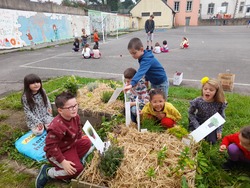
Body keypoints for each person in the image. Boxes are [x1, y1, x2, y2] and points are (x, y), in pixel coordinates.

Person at [35, 91, 92, 188]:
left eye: (75, 105)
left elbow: (78, 130)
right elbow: (51, 146)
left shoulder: (75, 117)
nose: (74, 109)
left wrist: (80, 137)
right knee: (77, 169)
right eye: (70, 107)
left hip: (70, 146)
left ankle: (72, 162)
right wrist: (62, 161)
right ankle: (48, 172)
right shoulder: (57, 126)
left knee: (87, 142)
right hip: (58, 152)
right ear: (60, 110)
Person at [188, 77, 227, 144]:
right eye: (205, 89)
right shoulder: (197, 101)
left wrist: (219, 130)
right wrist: (197, 126)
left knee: (211, 142)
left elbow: (221, 117)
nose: (207, 91)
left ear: (216, 92)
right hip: (199, 122)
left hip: (212, 123)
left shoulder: (220, 103)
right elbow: (191, 113)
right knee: (193, 140)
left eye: (211, 90)